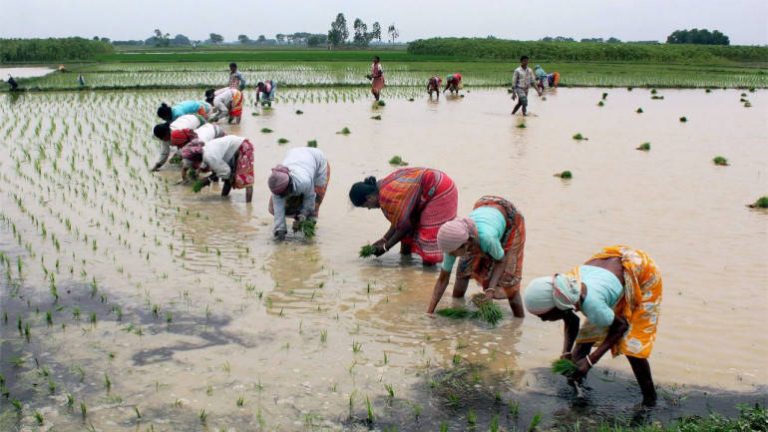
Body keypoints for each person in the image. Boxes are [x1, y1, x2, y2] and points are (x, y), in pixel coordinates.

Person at [523, 245, 663, 407]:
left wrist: (591, 361)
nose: (543, 320)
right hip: (608, 266)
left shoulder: (588, 302)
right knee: (585, 339)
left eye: (544, 316)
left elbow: (621, 326)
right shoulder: (564, 289)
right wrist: (566, 353)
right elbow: (572, 321)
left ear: (557, 306)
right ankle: (578, 391)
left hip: (643, 272)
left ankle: (650, 400)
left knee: (633, 347)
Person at [427, 196, 527, 317]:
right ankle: (458, 305)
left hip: (509, 220)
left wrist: (491, 289)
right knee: (463, 272)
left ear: (466, 243)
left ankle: (519, 320)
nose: (451, 256)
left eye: (453, 253)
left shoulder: (486, 238)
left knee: (508, 281)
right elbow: (443, 279)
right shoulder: (452, 243)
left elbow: (501, 261)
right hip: (484, 207)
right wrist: (430, 311)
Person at [349, 168, 458, 265]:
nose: (369, 208)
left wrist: (385, 247)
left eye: (366, 206)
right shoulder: (383, 186)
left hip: (439, 191)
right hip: (436, 184)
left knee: (428, 244)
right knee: (406, 234)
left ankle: (428, 274)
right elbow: (400, 219)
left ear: (369, 198)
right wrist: (384, 239)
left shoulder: (385, 196)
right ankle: (406, 264)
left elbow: (405, 226)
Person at [267, 148, 330, 240]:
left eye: (284, 194)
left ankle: (309, 234)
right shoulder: (276, 182)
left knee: (315, 203)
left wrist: (302, 217)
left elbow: (310, 200)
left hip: (318, 162)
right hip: (296, 155)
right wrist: (280, 230)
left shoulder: (304, 182)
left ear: (289, 186)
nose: (282, 197)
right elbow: (278, 211)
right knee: (273, 207)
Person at [181, 135, 254, 202]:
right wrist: (199, 172)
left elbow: (226, 172)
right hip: (232, 149)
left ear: (196, 159)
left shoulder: (210, 157)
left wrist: (209, 179)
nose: (194, 166)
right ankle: (224, 200)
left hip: (243, 146)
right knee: (228, 178)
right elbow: (206, 165)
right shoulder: (203, 152)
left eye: (194, 163)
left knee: (245, 178)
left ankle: (248, 207)